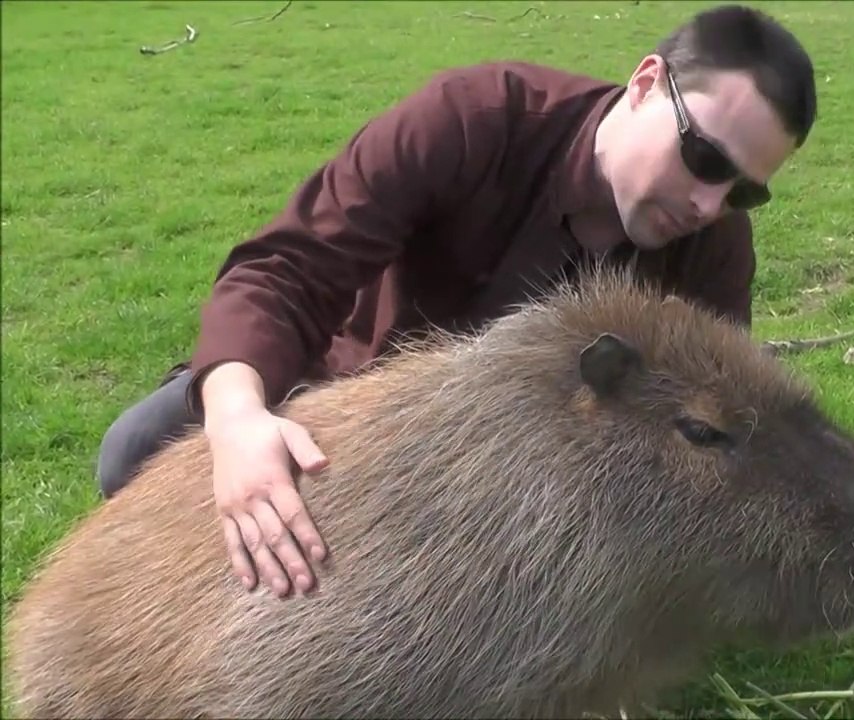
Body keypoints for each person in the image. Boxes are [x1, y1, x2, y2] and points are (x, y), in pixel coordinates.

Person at [94, 3, 817, 599]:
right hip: (342, 404)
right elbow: (290, 267)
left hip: (534, 491)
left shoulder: (715, 243)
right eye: (705, 158)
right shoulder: (472, 117)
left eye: (743, 191)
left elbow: (718, 422)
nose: (708, 203)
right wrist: (238, 420)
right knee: (134, 454)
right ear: (646, 83)